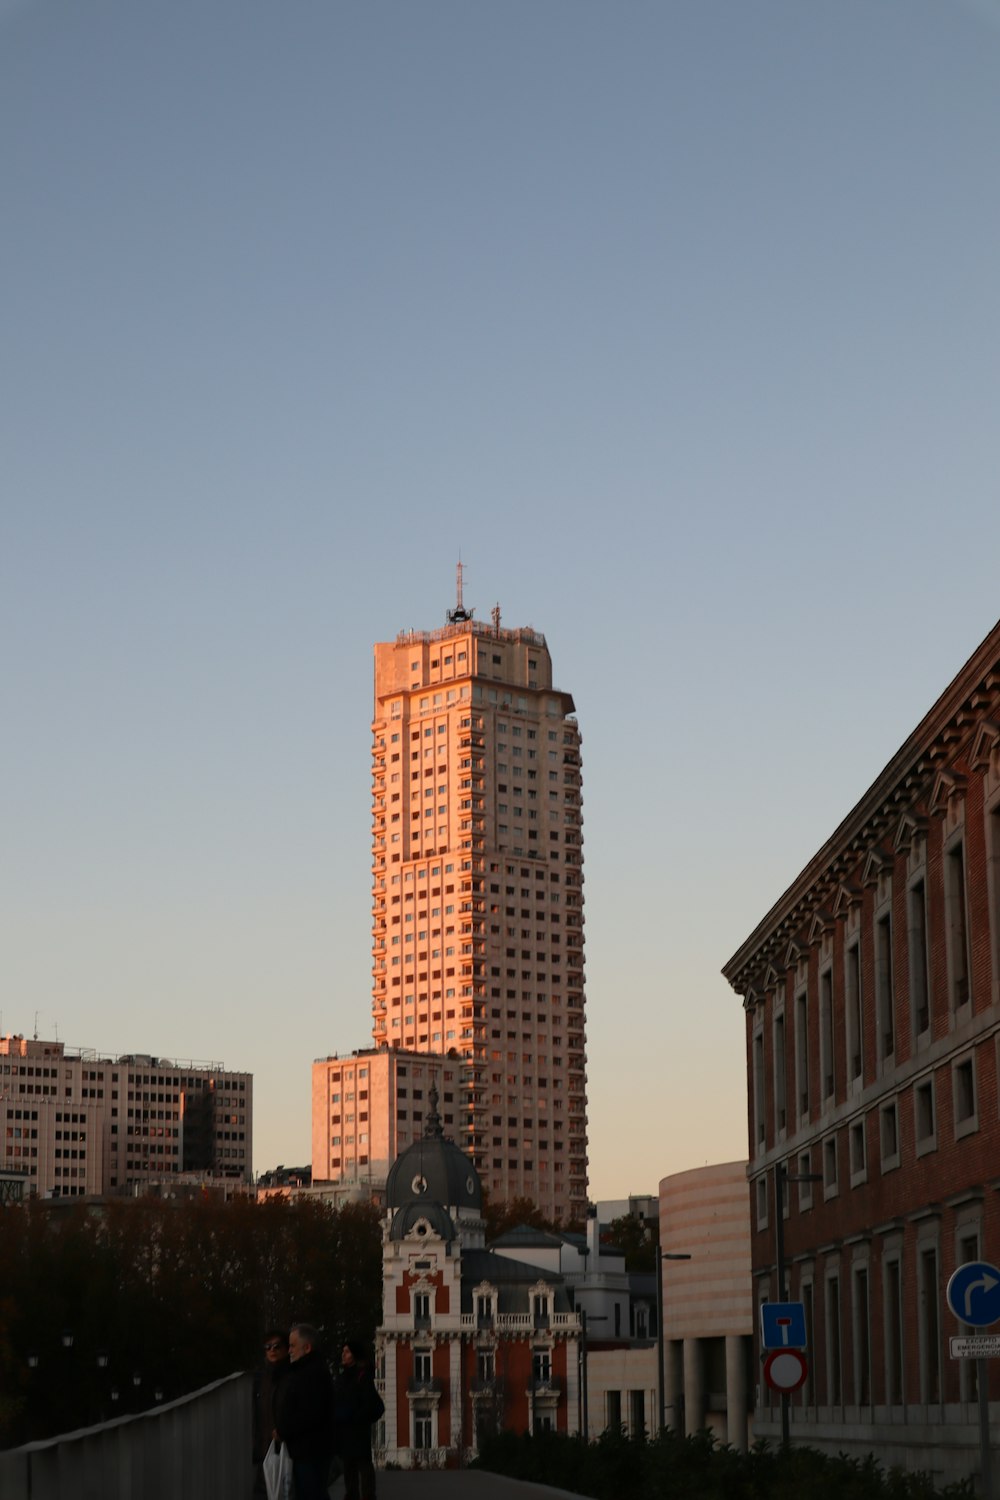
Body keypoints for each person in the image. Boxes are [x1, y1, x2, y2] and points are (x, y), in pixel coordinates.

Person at [274, 1323, 335, 1500]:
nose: (289, 1350)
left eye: (293, 1346)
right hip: (309, 1448)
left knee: (311, 1493)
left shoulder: (311, 1374)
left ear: (307, 1348)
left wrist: (283, 1430)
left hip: (310, 1450)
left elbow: (308, 1413)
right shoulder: (310, 1371)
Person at [331, 1340, 381, 1500]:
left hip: (358, 1429)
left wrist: (355, 1416)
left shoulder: (362, 1375)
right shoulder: (343, 1376)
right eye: (343, 1351)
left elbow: (368, 1402)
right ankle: (351, 1495)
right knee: (349, 1467)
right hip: (345, 1430)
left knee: (363, 1465)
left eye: (347, 1351)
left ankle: (367, 1496)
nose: (343, 1355)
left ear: (355, 1355)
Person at [252, 1329, 290, 1495]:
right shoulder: (261, 1378)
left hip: (285, 1446)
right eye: (268, 1347)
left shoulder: (291, 1376)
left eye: (277, 1346)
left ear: (286, 1348)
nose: (272, 1350)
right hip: (264, 1448)